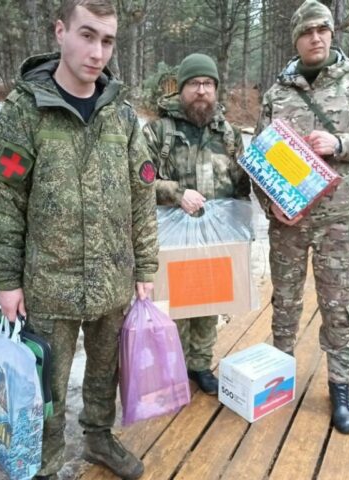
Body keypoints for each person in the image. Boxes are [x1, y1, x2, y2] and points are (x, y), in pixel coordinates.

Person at [0, 1, 158, 478]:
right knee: (46, 386)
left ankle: (99, 438)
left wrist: (146, 267)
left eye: (107, 40)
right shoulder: (25, 111)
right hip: (49, 284)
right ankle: (46, 460)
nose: (97, 51)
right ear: (60, 31)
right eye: (87, 35)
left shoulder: (120, 114)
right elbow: (2, 200)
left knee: (106, 373)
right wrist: (5, 278)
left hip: (113, 280)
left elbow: (142, 192)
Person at [252, 0, 349, 434]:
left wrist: (341, 144)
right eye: (307, 31)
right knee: (285, 303)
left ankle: (339, 386)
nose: (316, 37)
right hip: (289, 223)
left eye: (323, 29)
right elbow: (261, 160)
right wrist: (271, 205)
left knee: (337, 307)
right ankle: (278, 375)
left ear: (331, 34)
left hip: (342, 219)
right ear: (295, 38)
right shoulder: (278, 93)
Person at [143, 53, 251, 395]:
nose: (201, 90)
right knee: (171, 306)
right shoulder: (159, 132)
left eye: (208, 84)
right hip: (170, 236)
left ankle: (200, 365)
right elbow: (137, 181)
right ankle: (171, 367)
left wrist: (242, 234)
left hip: (216, 235)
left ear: (216, 90)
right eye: (194, 84)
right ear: (181, 89)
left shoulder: (230, 134)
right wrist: (176, 193)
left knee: (208, 304)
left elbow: (241, 188)